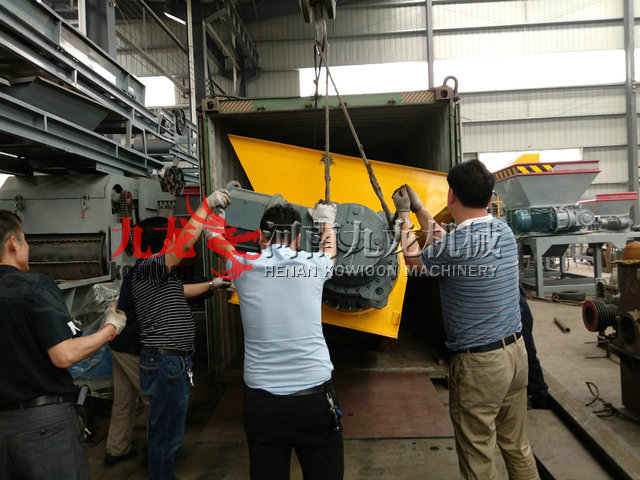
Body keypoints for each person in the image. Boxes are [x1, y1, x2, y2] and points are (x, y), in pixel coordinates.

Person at [392, 160, 539, 480]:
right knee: (516, 445)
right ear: (490, 197)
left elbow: (415, 261)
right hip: (516, 355)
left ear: (451, 196)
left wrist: (403, 217)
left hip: (481, 367)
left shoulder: (457, 245)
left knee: (478, 456)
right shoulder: (501, 230)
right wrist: (420, 210)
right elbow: (445, 241)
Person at [217, 202, 343, 480]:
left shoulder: (242, 266)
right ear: (297, 240)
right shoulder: (313, 265)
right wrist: (325, 220)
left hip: (263, 404)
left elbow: (218, 244)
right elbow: (330, 251)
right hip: (314, 399)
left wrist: (215, 221)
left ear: (261, 237)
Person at [0, 210, 126, 480]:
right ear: (12, 243)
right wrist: (110, 328)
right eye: (25, 240)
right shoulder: (35, 287)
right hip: (41, 425)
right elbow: (64, 355)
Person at [130, 192, 233, 480]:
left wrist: (214, 285)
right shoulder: (150, 267)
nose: (175, 241)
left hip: (171, 362)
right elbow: (185, 244)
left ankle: (165, 463)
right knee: (165, 432)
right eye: (170, 237)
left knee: (169, 427)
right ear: (161, 243)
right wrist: (205, 206)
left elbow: (182, 291)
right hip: (165, 362)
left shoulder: (158, 274)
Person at [519, 288, 549, 409]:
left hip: (516, 309)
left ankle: (539, 397)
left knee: (525, 352)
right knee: (527, 351)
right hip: (520, 308)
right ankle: (539, 396)